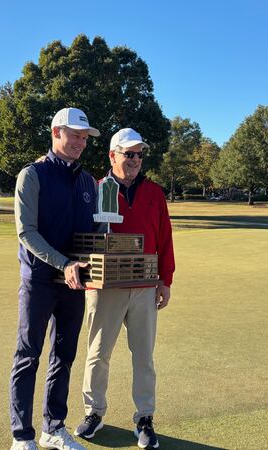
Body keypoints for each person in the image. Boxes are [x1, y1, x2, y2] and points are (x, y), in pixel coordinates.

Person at [75, 128, 175, 449]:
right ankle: (94, 412)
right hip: (106, 287)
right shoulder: (96, 190)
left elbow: (164, 238)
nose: (135, 160)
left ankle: (144, 417)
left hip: (145, 286)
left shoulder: (154, 193)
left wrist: (165, 279)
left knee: (143, 356)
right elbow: (80, 235)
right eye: (128, 154)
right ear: (112, 155)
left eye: (139, 154)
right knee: (98, 353)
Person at [10, 107, 99, 450]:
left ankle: (54, 427)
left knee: (64, 354)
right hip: (40, 279)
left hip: (74, 283)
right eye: (75, 135)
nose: (80, 142)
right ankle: (22, 435)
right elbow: (26, 232)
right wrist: (63, 263)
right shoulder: (32, 175)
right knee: (28, 355)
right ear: (56, 133)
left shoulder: (88, 181)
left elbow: (91, 231)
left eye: (84, 137)